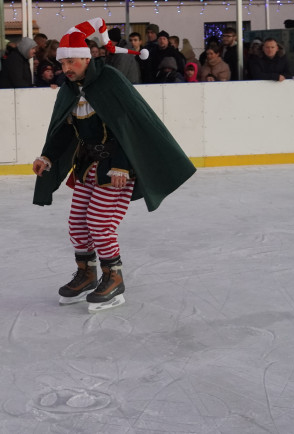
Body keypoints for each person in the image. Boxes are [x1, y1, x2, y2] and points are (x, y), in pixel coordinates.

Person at [32, 18, 197, 312]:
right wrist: (47, 156)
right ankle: (87, 274)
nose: (67, 68)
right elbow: (66, 129)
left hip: (116, 170)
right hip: (86, 167)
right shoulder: (69, 89)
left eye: (73, 62)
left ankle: (114, 277)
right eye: (64, 63)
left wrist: (122, 165)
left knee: (100, 223)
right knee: (77, 224)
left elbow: (129, 125)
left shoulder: (110, 80)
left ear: (86, 58)